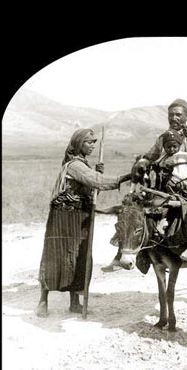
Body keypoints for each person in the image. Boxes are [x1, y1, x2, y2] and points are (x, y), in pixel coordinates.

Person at [104, 99, 187, 269]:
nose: (174, 118)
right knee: (134, 208)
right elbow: (151, 155)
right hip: (165, 184)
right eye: (171, 115)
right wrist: (142, 162)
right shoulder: (163, 138)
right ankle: (125, 252)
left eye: (178, 115)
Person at [36, 128, 121, 317]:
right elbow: (97, 182)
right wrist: (123, 178)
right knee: (55, 256)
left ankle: (74, 303)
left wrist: (95, 175)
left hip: (80, 217)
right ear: (78, 143)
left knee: (79, 256)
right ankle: (43, 301)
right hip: (63, 217)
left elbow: (91, 188)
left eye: (94, 143)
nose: (92, 146)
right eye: (89, 142)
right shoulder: (75, 165)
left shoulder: (84, 165)